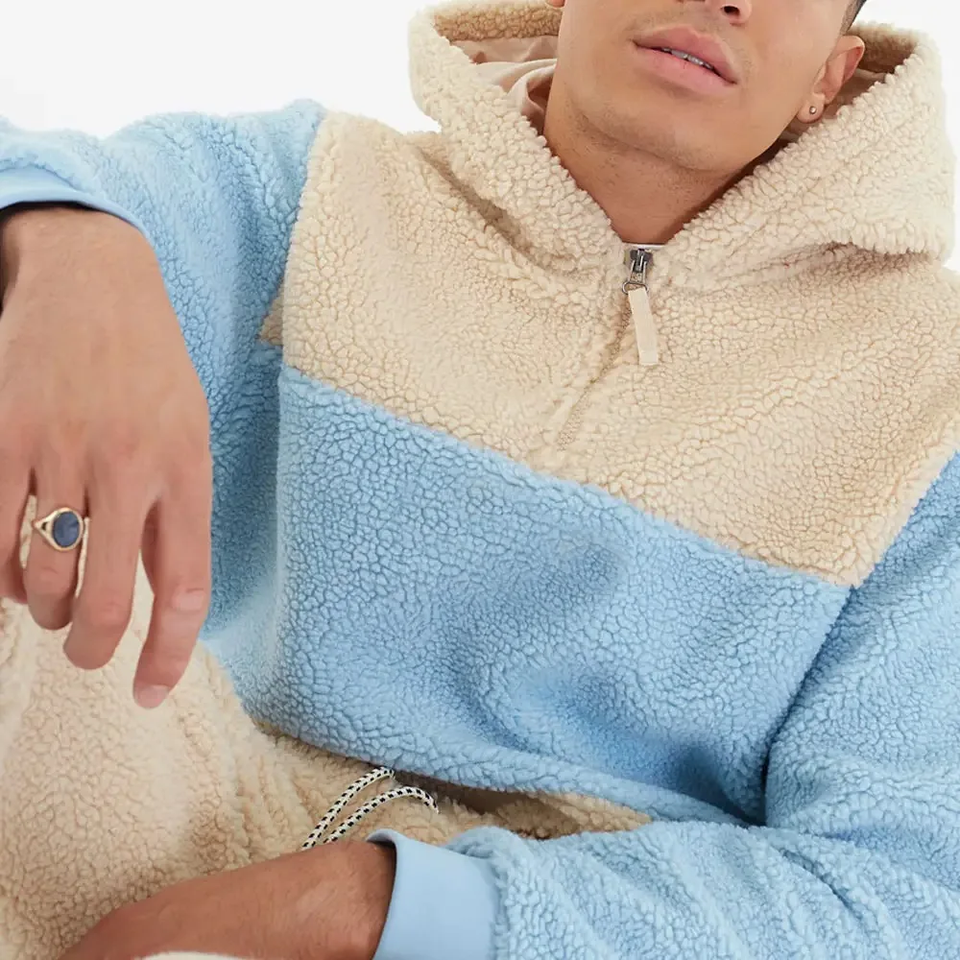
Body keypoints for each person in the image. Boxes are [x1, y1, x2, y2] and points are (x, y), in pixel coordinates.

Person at [1, 0, 959, 955]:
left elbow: (911, 894)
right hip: (169, 805)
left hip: (583, 929)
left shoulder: (931, 393)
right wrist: (61, 235)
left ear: (828, 77)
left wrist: (374, 906)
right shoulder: (312, 190)